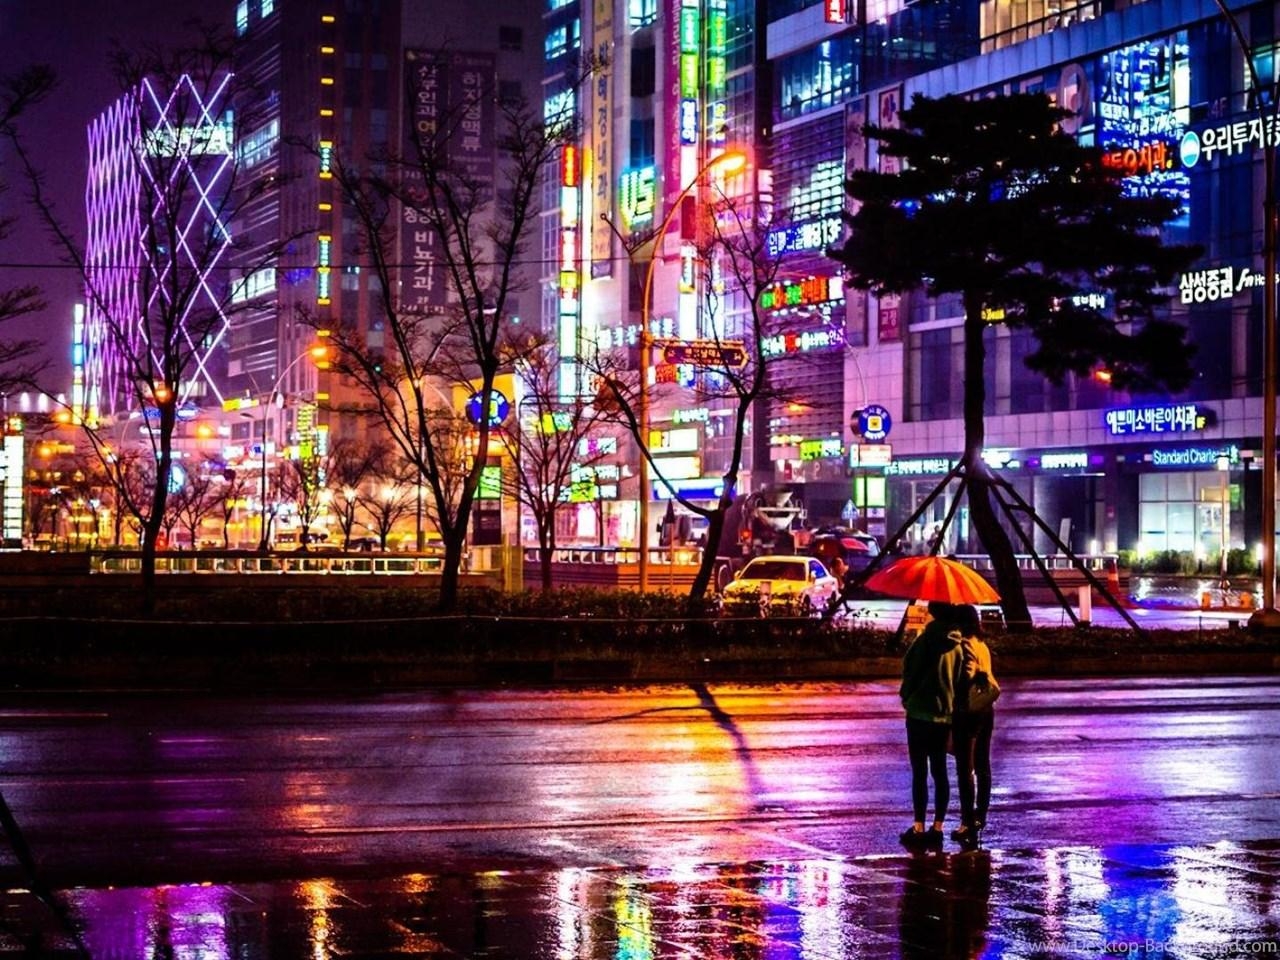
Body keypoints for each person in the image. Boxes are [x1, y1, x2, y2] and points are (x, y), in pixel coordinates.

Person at [898, 600, 966, 847]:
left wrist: (906, 697)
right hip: (943, 716)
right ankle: (938, 826)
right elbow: (961, 681)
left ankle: (918, 826)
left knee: (919, 772)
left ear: (933, 614)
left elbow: (910, 673)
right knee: (940, 772)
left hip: (918, 714)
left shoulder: (923, 642)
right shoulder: (958, 647)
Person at [951, 604, 998, 847]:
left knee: (965, 767)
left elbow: (967, 674)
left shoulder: (966, 644)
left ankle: (968, 820)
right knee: (982, 763)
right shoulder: (982, 644)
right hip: (986, 708)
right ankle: (981, 815)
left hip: (969, 710)